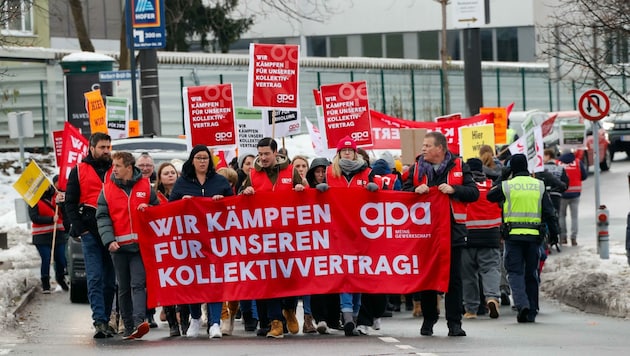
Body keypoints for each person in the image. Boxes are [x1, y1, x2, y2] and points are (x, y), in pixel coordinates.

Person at [402, 131, 479, 337]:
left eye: (427, 145)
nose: (423, 149)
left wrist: (454, 189)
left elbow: (474, 193)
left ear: (440, 149)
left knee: (453, 279)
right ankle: (429, 319)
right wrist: (415, 190)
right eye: (423, 145)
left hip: (453, 231)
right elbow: (403, 192)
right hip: (425, 232)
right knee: (428, 277)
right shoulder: (416, 168)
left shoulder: (460, 166)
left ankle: (454, 323)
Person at [240, 137, 305, 339]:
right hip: (264, 238)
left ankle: (289, 309)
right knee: (270, 280)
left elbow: (307, 196)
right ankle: (275, 321)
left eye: (266, 153)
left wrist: (302, 189)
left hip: (289, 236)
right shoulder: (253, 174)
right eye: (260, 154)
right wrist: (246, 191)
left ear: (275, 153)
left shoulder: (290, 170)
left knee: (291, 277)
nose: (263, 157)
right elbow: (240, 195)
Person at [319, 135, 381, 336]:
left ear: (355, 153)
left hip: (361, 233)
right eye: (343, 150)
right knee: (345, 273)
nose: (347, 153)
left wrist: (375, 190)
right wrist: (318, 192)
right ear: (338, 153)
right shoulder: (329, 173)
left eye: (350, 150)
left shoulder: (367, 172)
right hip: (337, 233)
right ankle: (347, 316)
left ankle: (353, 315)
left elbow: (383, 196)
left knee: (358, 274)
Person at [170, 145, 233, 339]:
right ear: (192, 160)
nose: (203, 161)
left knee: (214, 281)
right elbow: (170, 210)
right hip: (191, 243)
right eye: (199, 158)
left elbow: (235, 208)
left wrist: (222, 201)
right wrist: (183, 202)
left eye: (206, 158)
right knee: (194, 281)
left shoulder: (220, 181)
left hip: (215, 242)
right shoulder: (182, 183)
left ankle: (215, 322)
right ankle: (195, 318)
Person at [487, 154, 559, 323]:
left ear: (511, 168)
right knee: (531, 273)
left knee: (515, 272)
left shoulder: (507, 186)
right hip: (534, 238)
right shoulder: (538, 185)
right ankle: (532, 309)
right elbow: (549, 212)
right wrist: (555, 234)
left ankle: (522, 305)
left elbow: (490, 196)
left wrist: (502, 176)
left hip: (513, 237)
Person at [96, 151, 160, 339]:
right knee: (123, 287)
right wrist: (109, 240)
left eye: (117, 166)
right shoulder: (106, 190)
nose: (113, 169)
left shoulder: (146, 187)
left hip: (139, 246)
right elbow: (102, 217)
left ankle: (140, 321)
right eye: (113, 166)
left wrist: (150, 209)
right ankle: (128, 325)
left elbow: (158, 210)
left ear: (129, 168)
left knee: (138, 284)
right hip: (118, 248)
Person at [65, 132, 117, 339]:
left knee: (110, 280)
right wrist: (81, 230)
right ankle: (100, 321)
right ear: (91, 148)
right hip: (89, 232)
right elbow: (69, 204)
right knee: (94, 277)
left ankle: (107, 317)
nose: (106, 151)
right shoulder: (78, 171)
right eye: (102, 147)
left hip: (113, 232)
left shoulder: (116, 169)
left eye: (108, 147)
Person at [461, 158, 503, 320]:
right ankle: (492, 297)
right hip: (491, 236)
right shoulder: (493, 187)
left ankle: (471, 309)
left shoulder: (466, 189)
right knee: (490, 269)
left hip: (468, 236)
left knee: (468, 275)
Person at [304, 157, 341, 334]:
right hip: (314, 241)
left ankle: (334, 318)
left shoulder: (337, 188)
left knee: (334, 280)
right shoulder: (307, 190)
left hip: (333, 240)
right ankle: (320, 318)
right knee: (318, 281)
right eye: (317, 172)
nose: (320, 175)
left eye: (323, 171)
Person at [153, 162, 188, 337]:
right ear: (160, 177)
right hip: (164, 247)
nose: (170, 175)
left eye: (173, 172)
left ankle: (185, 321)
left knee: (184, 283)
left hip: (183, 244)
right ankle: (173, 322)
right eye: (166, 173)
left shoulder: (184, 193)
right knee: (167, 284)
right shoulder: (155, 196)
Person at [28, 176, 69, 294]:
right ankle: (45, 283)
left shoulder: (57, 197)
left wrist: (61, 204)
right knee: (46, 258)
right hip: (41, 236)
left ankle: (61, 279)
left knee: (61, 258)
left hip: (58, 234)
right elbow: (34, 217)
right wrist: (51, 219)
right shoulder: (33, 200)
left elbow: (65, 213)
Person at [557, 150, 587, 246]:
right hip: (575, 194)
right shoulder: (578, 162)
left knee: (561, 216)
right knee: (574, 217)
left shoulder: (558, 163)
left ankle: (563, 237)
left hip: (562, 194)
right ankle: (573, 238)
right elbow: (584, 176)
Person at [542, 148, 569, 214]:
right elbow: (566, 183)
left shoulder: (542, 169)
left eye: (543, 156)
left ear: (548, 156)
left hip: (544, 196)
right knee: (556, 215)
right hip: (556, 196)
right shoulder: (560, 168)